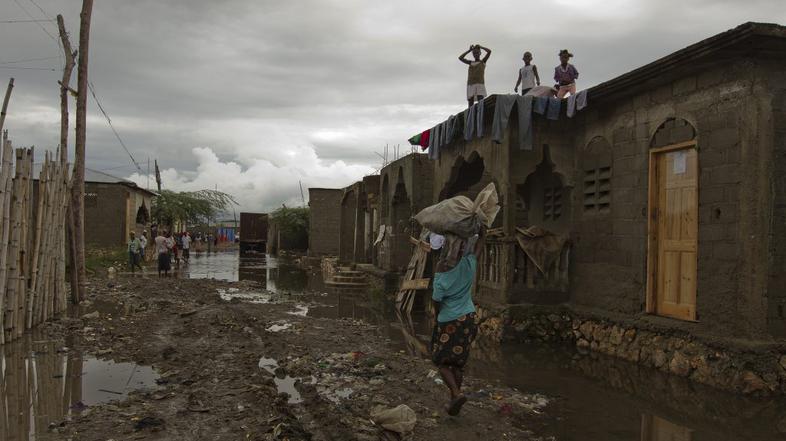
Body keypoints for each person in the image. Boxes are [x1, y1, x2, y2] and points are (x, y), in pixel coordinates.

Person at [430, 231, 484, 416]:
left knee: (442, 361)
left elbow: (437, 298)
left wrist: (437, 316)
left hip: (449, 320)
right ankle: (455, 401)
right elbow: (479, 248)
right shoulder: (469, 262)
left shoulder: (442, 267)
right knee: (458, 364)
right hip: (469, 318)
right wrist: (483, 234)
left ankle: (456, 393)